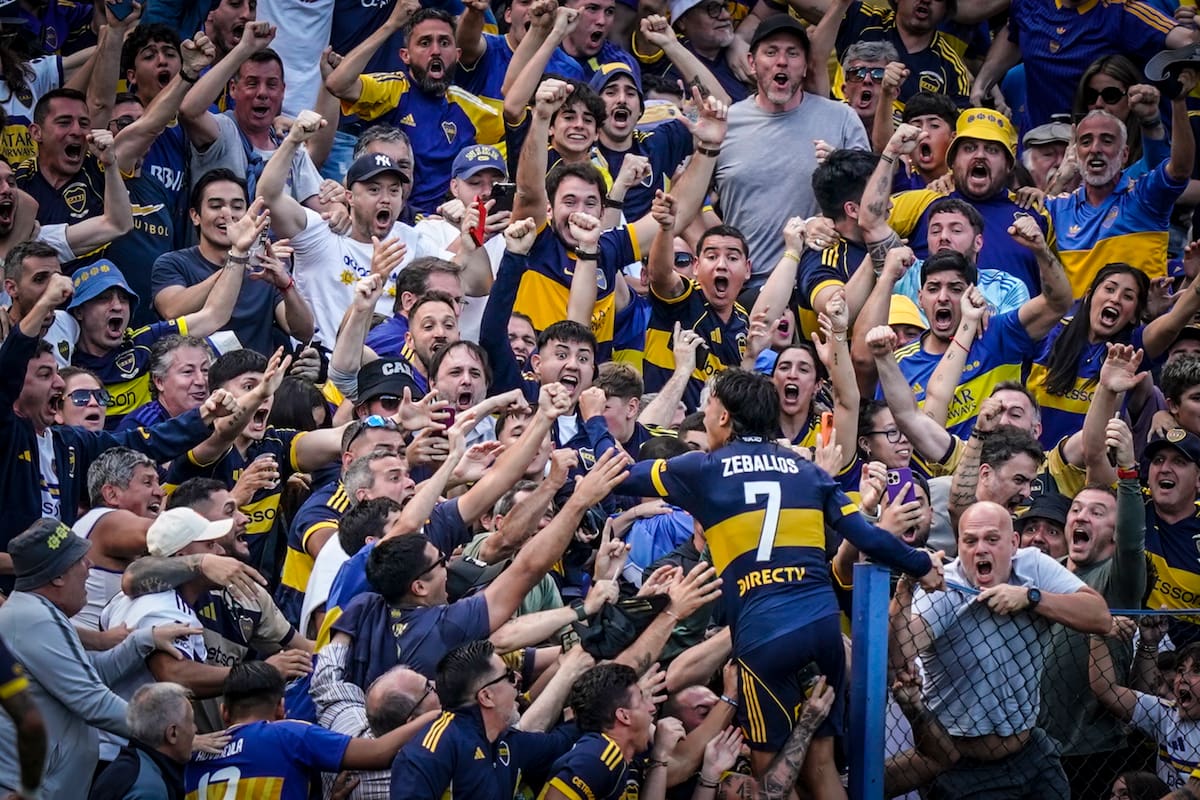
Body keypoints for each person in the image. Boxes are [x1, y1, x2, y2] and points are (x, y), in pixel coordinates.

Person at [619, 368, 941, 799]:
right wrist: (920, 562)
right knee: (822, 767)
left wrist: (588, 439)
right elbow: (866, 535)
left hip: (764, 636)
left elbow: (623, 473)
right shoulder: (807, 471)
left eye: (709, 406)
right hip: (822, 627)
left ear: (723, 418)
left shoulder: (702, 468)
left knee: (772, 778)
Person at [892, 501, 1112, 798]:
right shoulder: (946, 587)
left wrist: (1031, 598)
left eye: (992, 539)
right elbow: (900, 654)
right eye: (970, 541)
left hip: (1030, 750)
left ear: (1014, 543)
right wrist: (905, 591)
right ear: (959, 545)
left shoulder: (1032, 566)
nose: (981, 549)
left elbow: (1099, 616)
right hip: (965, 766)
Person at [0, 519, 197, 797]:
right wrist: (168, 730)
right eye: (81, 560)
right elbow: (92, 700)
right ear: (57, 576)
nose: (89, 567)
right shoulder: (33, 619)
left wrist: (144, 640)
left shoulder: (38, 613)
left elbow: (89, 673)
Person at [714, 15, 870, 283]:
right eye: (771, 52)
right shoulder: (725, 123)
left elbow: (872, 207)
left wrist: (840, 170)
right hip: (742, 288)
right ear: (752, 62)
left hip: (821, 282)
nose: (782, 61)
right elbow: (693, 204)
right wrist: (724, 250)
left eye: (793, 53)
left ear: (807, 65)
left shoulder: (841, 118)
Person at [324, 6, 505, 215]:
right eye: (425, 43)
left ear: (456, 55)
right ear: (405, 55)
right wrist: (391, 25)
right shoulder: (392, 90)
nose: (436, 50)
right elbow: (338, 84)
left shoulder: (469, 108)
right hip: (391, 219)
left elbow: (517, 125)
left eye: (444, 42)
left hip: (444, 224)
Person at [184, 661, 439, 797]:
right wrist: (439, 714)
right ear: (281, 708)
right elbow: (378, 753)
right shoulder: (288, 735)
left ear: (224, 712)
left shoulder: (190, 756)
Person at [1047, 88, 1195, 294]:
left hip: (1143, 323)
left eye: (1106, 141)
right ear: (1075, 154)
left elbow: (1179, 170)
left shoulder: (1144, 197)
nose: (1095, 149)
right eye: (1086, 141)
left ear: (1124, 154)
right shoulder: (1057, 207)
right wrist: (1061, 180)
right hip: (1075, 325)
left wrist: (1178, 100)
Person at [388, 640, 581, 798]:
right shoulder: (430, 750)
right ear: (486, 697)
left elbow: (562, 742)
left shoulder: (507, 741)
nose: (517, 679)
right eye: (509, 676)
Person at [151, 173, 316, 355]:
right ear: (195, 215)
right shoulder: (173, 263)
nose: (227, 214)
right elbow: (172, 311)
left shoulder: (262, 270)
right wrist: (237, 261)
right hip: (198, 379)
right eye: (216, 206)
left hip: (258, 379)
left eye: (237, 207)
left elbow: (304, 332)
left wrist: (287, 286)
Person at [87, 682, 195, 800]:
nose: (195, 729)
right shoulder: (150, 790)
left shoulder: (127, 767)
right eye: (191, 722)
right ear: (172, 733)